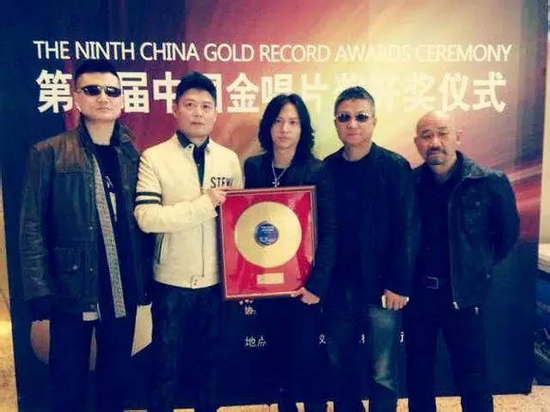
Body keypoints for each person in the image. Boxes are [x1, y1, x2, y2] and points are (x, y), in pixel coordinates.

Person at [19, 59, 151, 412]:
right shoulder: (49, 152)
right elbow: (31, 227)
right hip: (70, 289)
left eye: (112, 91)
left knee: (115, 386)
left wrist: (145, 279)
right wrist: (38, 290)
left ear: (122, 99)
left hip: (122, 289)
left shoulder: (132, 155)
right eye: (92, 90)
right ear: (76, 97)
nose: (103, 98)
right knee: (69, 387)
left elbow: (143, 222)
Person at [134, 71, 243, 412]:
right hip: (171, 281)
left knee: (211, 368)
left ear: (216, 113)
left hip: (217, 282)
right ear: (175, 109)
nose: (198, 113)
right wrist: (203, 204)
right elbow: (147, 217)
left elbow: (238, 221)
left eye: (206, 106)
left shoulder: (228, 159)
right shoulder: (154, 157)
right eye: (190, 105)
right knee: (165, 367)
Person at [403, 110, 520, 412]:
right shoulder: (408, 184)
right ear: (417, 143)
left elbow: (506, 236)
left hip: (464, 296)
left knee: (473, 377)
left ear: (458, 137)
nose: (435, 142)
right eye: (426, 135)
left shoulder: (488, 182)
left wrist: (474, 269)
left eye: (442, 133)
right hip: (418, 296)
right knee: (418, 376)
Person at [323, 86, 418, 412]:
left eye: (361, 117)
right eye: (344, 117)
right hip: (338, 288)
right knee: (340, 364)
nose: (353, 124)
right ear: (336, 123)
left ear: (374, 121)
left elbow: (408, 229)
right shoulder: (326, 169)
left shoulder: (394, 167)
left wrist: (399, 283)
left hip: (382, 288)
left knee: (383, 371)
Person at [243, 93, 336, 412]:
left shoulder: (317, 170)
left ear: (303, 129)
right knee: (276, 360)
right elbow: (245, 225)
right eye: (278, 121)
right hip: (267, 284)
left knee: (307, 360)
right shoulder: (254, 167)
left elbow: (329, 232)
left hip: (304, 286)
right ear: (268, 127)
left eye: (293, 122)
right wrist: (246, 280)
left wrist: (316, 286)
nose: (285, 129)